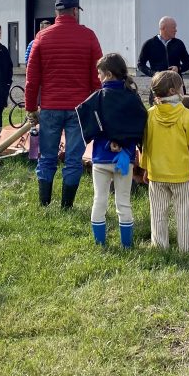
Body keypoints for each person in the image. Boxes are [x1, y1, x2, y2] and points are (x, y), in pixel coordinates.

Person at [25, 0, 103, 208]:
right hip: (79, 108)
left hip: (50, 107)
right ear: (75, 11)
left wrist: (31, 108)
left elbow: (32, 79)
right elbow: (98, 77)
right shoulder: (88, 36)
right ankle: (66, 206)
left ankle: (44, 204)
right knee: (73, 159)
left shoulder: (42, 37)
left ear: (57, 12)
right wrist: (96, 107)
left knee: (47, 156)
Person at [76, 53, 147, 248]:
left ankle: (100, 244)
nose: (97, 77)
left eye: (99, 73)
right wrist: (124, 145)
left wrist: (109, 143)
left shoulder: (97, 98)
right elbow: (141, 126)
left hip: (101, 159)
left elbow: (88, 125)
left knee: (99, 200)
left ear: (107, 74)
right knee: (123, 202)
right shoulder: (133, 97)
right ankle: (127, 245)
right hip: (125, 159)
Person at [140, 71, 189, 252]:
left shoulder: (150, 114)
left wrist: (145, 167)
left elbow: (147, 143)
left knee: (158, 212)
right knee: (184, 212)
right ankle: (187, 247)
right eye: (180, 87)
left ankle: (159, 246)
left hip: (156, 173)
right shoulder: (187, 116)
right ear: (172, 91)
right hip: (181, 174)